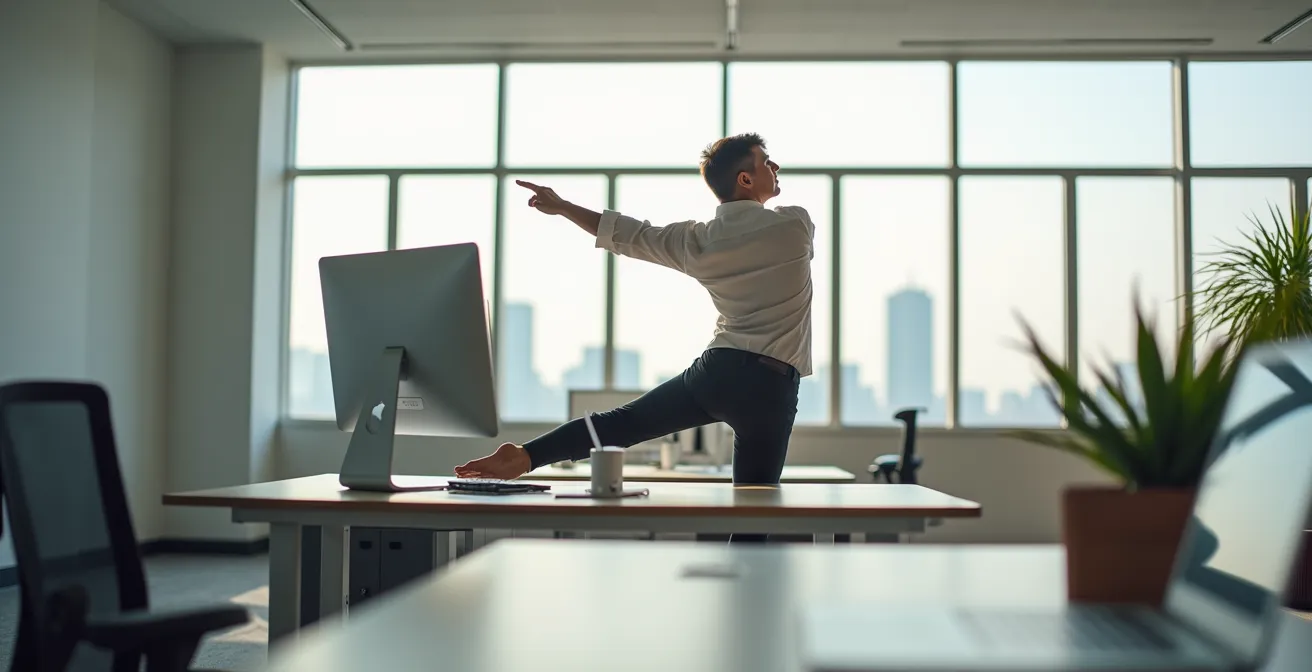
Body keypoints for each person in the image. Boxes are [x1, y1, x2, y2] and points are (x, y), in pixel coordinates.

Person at [454, 132, 815, 501]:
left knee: (623, 424)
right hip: (770, 385)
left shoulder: (697, 240)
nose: (775, 166)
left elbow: (627, 235)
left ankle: (527, 455)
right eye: (766, 161)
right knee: (755, 505)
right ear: (745, 179)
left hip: (719, 371)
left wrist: (563, 206)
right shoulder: (795, 225)